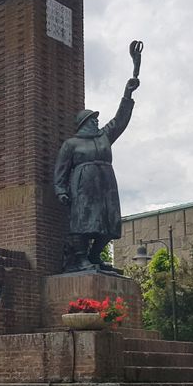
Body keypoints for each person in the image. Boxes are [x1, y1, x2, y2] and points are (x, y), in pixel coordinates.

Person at [54, 73, 140, 272]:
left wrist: (127, 94)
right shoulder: (71, 144)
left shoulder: (104, 137)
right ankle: (81, 258)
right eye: (93, 119)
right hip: (83, 186)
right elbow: (61, 169)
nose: (96, 122)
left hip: (106, 184)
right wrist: (60, 190)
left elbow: (120, 121)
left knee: (110, 222)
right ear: (84, 123)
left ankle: (95, 255)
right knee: (83, 222)